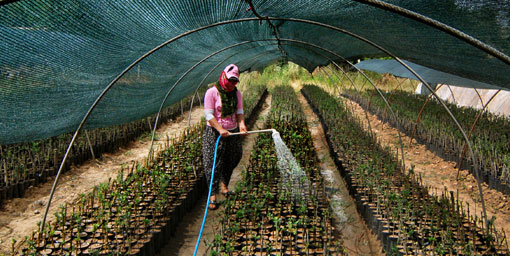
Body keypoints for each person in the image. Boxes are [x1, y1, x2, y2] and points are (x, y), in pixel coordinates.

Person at [202, 64, 247, 210]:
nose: (232, 84)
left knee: (234, 157)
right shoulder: (212, 92)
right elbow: (209, 115)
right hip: (214, 132)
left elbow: (239, 111)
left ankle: (224, 184)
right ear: (223, 77)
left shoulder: (236, 93)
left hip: (232, 131)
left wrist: (241, 125)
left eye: (235, 81)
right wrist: (220, 129)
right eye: (230, 80)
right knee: (213, 163)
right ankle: (212, 194)